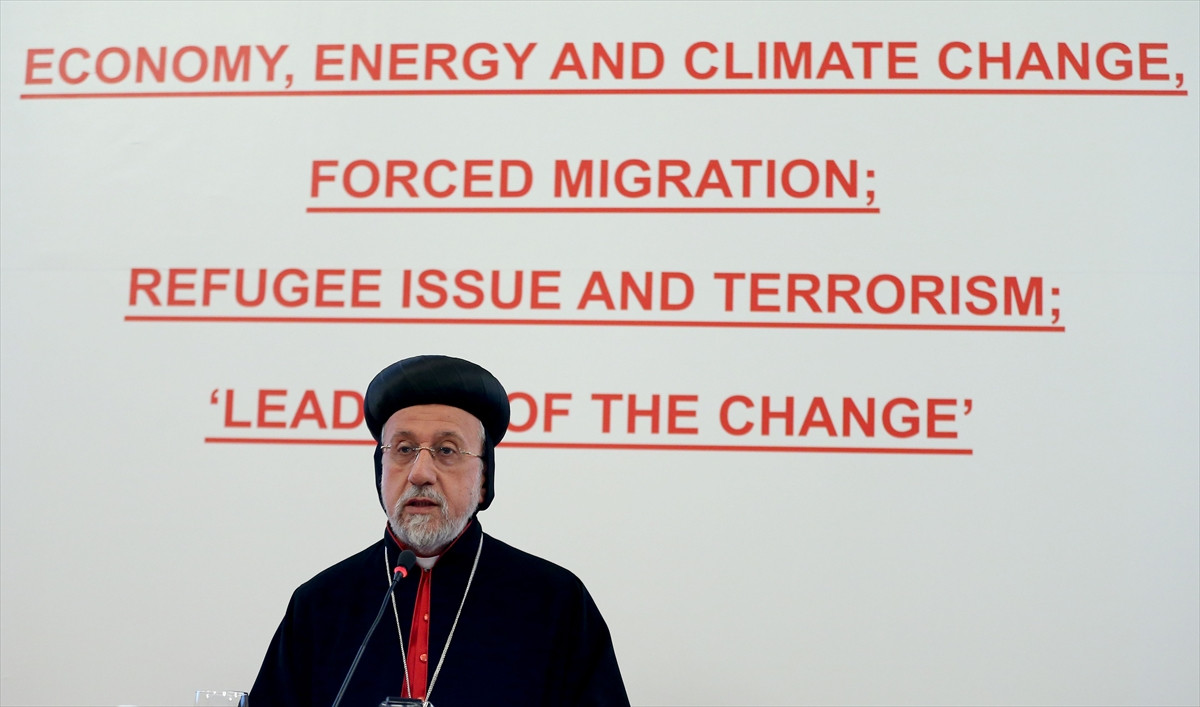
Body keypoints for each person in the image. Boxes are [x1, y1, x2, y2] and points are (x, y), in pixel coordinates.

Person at [249, 355, 629, 707]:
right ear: (380, 470)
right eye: (403, 449)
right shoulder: (319, 604)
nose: (420, 473)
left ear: (483, 478)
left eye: (447, 450)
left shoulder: (556, 603)